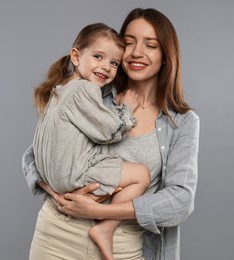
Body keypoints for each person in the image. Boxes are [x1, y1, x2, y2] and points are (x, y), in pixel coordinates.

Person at [22, 8, 200, 260]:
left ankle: (104, 230)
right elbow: (33, 157)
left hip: (121, 247)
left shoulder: (181, 122)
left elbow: (180, 201)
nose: (137, 52)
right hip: (58, 234)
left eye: (151, 45)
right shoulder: (94, 93)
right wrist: (61, 195)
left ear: (166, 55)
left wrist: (101, 213)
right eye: (129, 43)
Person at [31, 23, 151, 260]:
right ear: (75, 56)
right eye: (98, 56)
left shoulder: (58, 91)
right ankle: (106, 226)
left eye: (114, 63)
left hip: (57, 181)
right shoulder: (84, 90)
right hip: (75, 177)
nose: (106, 67)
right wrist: (127, 109)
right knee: (141, 175)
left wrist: (51, 187)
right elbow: (109, 131)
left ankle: (103, 220)